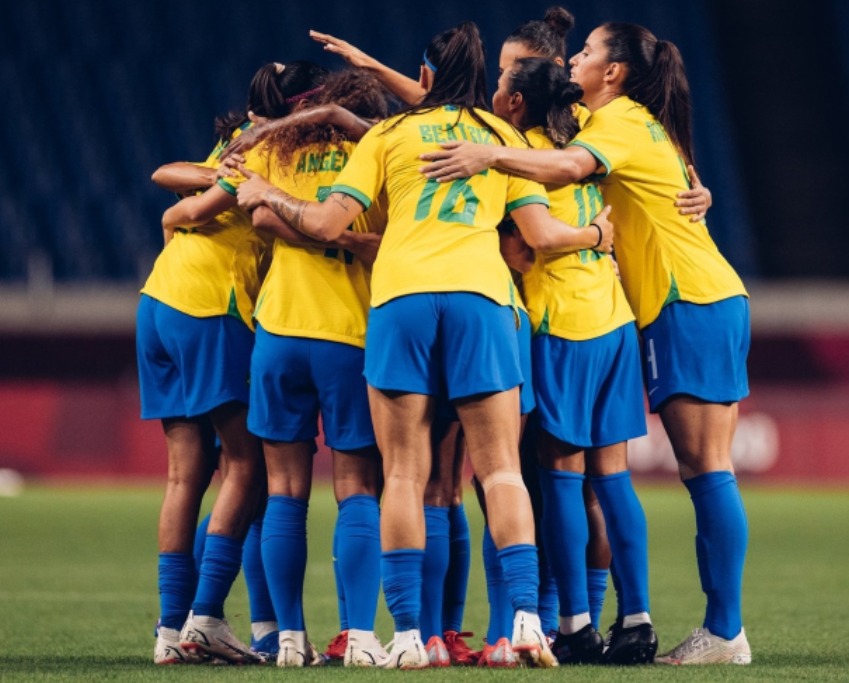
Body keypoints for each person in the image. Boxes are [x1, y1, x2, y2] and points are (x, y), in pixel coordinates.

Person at [236, 21, 614, 669]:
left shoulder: (388, 133)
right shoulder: (500, 138)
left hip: (402, 299)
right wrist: (596, 235)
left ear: (427, 80)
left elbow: (327, 221)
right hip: (482, 300)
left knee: (407, 474)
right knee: (498, 470)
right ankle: (524, 620)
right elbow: (532, 232)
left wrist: (265, 189)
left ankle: (410, 634)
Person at [420, 21, 752, 667]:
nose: (574, 58)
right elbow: (668, 179)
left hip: (675, 300)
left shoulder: (608, 129)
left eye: (588, 51)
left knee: (699, 470)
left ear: (614, 72)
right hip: (644, 311)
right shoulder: (612, 124)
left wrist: (488, 155)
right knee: (642, 474)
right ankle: (644, 619)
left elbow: (561, 180)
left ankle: (712, 628)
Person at [143, 60, 329, 665]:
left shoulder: (233, 143)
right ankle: (205, 617)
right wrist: (184, 209)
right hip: (210, 305)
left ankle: (171, 632)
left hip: (158, 302)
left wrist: (176, 209)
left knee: (184, 473)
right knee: (247, 464)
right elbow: (197, 206)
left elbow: (168, 176)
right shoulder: (272, 150)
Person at [220, 67, 392, 668]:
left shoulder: (272, 148)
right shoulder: (375, 149)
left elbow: (259, 213)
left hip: (280, 330)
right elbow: (386, 236)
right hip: (348, 334)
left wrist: (284, 205)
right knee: (356, 489)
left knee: (286, 493)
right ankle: (361, 638)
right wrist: (339, 238)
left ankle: (289, 639)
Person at [492, 54, 657, 665]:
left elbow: (536, 237)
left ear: (516, 103)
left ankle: (577, 623)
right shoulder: (587, 129)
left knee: (560, 472)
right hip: (614, 319)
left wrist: (585, 236)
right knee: (612, 476)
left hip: (563, 324)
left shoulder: (521, 154)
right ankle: (636, 619)